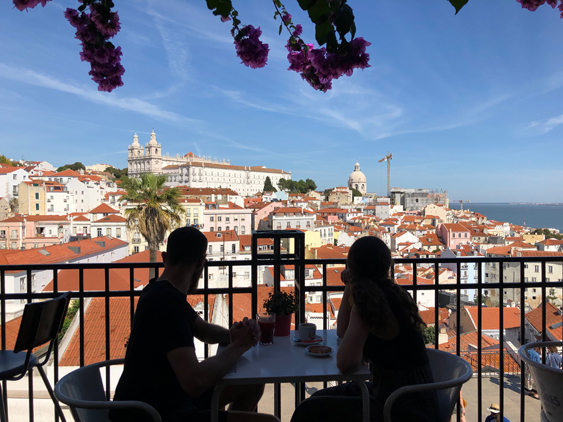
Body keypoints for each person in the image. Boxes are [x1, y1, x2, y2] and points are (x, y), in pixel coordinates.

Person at [109, 227, 279, 422]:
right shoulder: (167, 303)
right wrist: (240, 345)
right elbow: (195, 382)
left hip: (162, 399)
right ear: (200, 262)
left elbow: (205, 331)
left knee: (252, 384)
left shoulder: (158, 291)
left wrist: (233, 335)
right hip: (154, 413)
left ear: (165, 257)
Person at [291, 236, 438, 422]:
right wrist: (350, 285)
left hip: (397, 410)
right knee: (317, 400)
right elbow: (343, 331)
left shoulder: (371, 305)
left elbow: (345, 364)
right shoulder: (397, 295)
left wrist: (353, 281)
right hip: (419, 402)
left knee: (309, 410)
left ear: (353, 266)